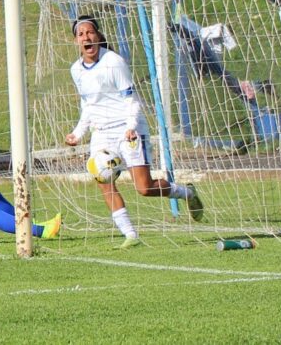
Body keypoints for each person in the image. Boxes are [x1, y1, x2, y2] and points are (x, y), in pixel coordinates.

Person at [64, 15, 204, 249]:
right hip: (101, 133)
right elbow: (88, 105)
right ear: (76, 41)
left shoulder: (114, 62)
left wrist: (130, 127)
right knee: (103, 180)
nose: (86, 37)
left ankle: (186, 193)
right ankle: (130, 234)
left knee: (144, 188)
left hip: (127, 128)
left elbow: (132, 100)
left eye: (90, 32)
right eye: (81, 34)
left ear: (98, 36)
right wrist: (77, 134)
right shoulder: (76, 70)